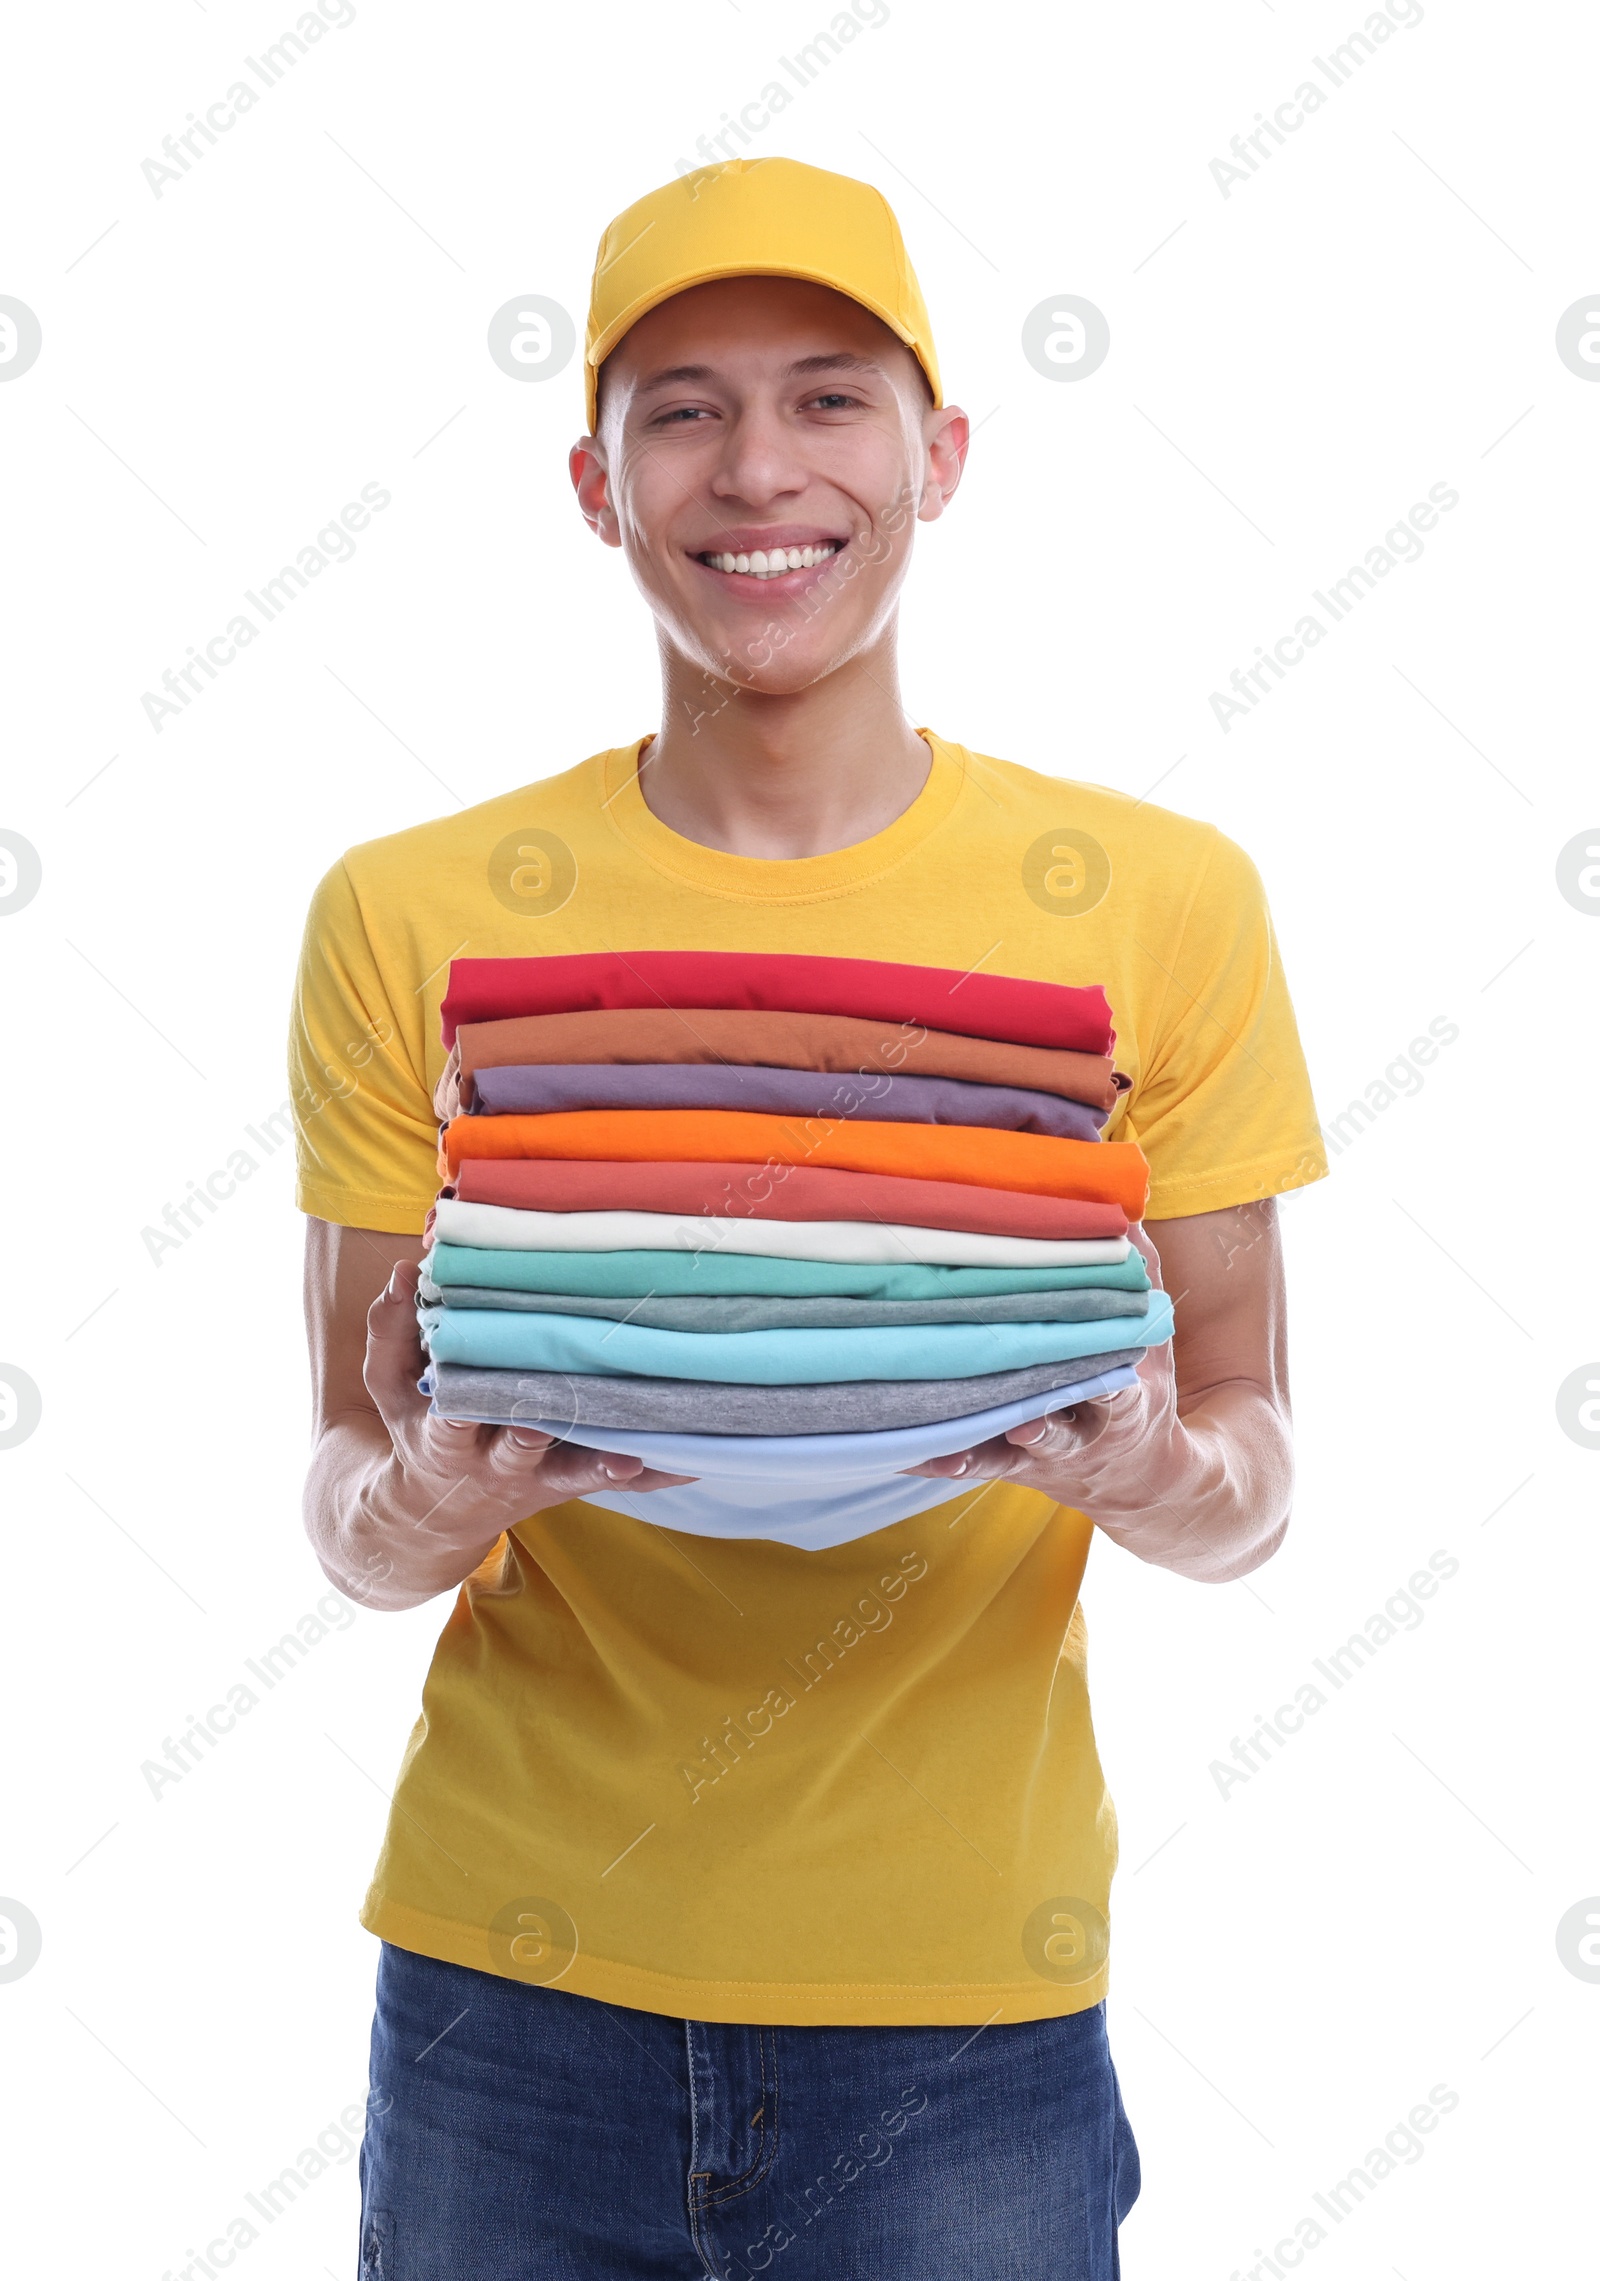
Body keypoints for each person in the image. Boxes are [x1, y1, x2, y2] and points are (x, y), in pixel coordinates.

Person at [290, 156, 1327, 2281]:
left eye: (827, 398)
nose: (757, 467)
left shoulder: (1159, 901)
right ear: (592, 482)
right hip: (513, 1983)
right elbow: (341, 1469)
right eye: (678, 406)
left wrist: (1140, 1461)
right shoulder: (407, 910)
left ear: (938, 454)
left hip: (965, 2006)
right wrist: (419, 1507)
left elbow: (1247, 1473)